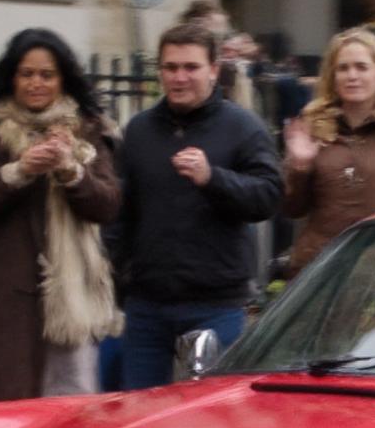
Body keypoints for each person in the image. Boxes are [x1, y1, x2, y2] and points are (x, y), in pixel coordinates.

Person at [0, 29, 121, 406]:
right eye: (26, 74)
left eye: (46, 75)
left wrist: (71, 172)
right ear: (12, 78)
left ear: (63, 79)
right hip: (1, 298)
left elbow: (107, 204)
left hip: (71, 295)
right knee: (1, 408)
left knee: (69, 408)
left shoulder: (90, 134)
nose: (36, 83)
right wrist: (18, 171)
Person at [116, 20, 282, 388]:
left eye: (190, 67)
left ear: (213, 70)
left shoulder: (243, 127)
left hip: (215, 302)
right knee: (137, 414)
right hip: (147, 302)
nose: (179, 77)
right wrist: (116, 283)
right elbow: (121, 213)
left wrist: (214, 178)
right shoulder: (140, 130)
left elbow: (269, 196)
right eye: (170, 67)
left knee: (210, 418)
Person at [281, 27, 375, 278]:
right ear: (332, 76)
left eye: (361, 67)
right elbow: (292, 209)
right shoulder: (312, 124)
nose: (352, 76)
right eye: (343, 68)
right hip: (317, 268)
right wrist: (300, 167)